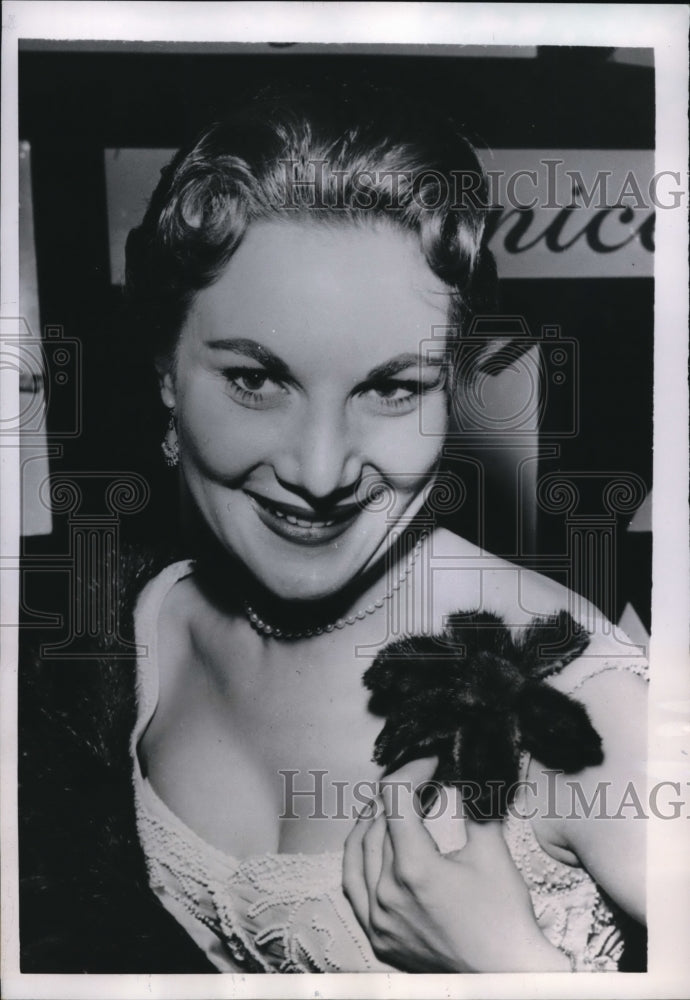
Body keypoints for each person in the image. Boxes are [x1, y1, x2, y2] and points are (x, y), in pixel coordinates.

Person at [26, 84, 647, 974]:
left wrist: (507, 965)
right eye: (255, 380)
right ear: (165, 371)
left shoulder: (583, 699)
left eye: (393, 389)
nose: (321, 472)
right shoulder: (150, 628)